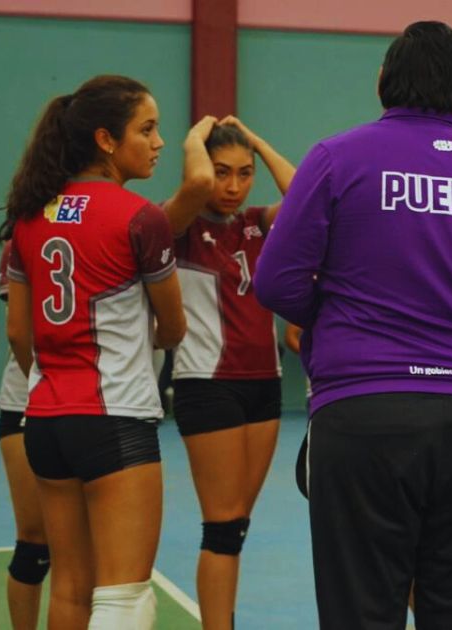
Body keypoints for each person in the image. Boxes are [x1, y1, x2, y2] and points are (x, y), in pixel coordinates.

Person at [255, 21, 452, 629]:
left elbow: (276, 281)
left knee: (362, 611)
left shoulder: (335, 158)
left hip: (366, 413)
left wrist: (340, 319)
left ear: (382, 82)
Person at [0, 74, 186, 630]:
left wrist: (56, 379)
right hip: (116, 418)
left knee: (72, 590)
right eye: (147, 129)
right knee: (126, 598)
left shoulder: (29, 217)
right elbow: (173, 328)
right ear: (106, 140)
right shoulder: (140, 217)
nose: (158, 142)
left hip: (46, 421)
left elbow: (17, 332)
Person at [160, 113, 295, 630]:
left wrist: (257, 141)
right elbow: (193, 186)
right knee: (220, 526)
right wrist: (195, 136)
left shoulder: (258, 223)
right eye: (222, 172)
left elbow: (306, 191)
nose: (233, 185)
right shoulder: (177, 227)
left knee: (237, 525)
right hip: (206, 387)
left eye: (243, 173)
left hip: (264, 386)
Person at [0, 240, 49, 630]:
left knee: (86, 552)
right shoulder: (24, 242)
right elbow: (19, 331)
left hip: (95, 406)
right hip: (25, 404)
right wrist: (45, 383)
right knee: (34, 544)